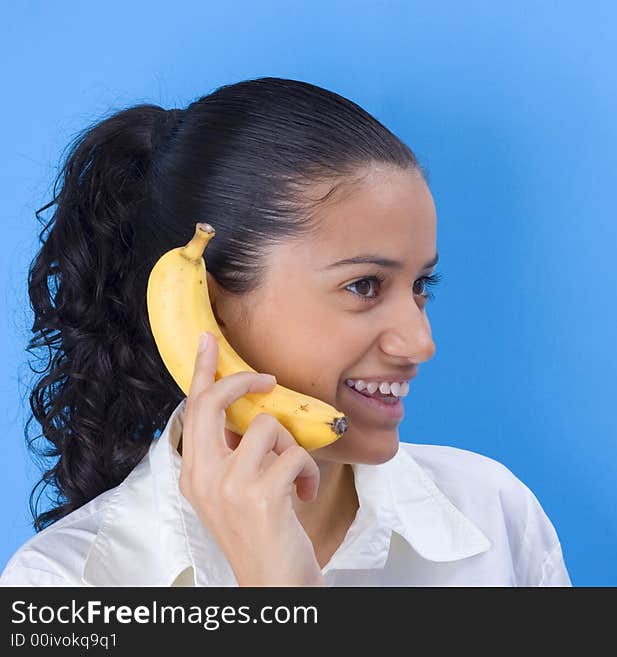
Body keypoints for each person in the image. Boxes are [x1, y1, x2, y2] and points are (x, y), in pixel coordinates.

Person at [0, 77, 571, 587]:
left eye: (422, 285)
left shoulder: (493, 514)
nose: (421, 343)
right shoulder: (63, 583)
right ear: (210, 305)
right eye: (365, 287)